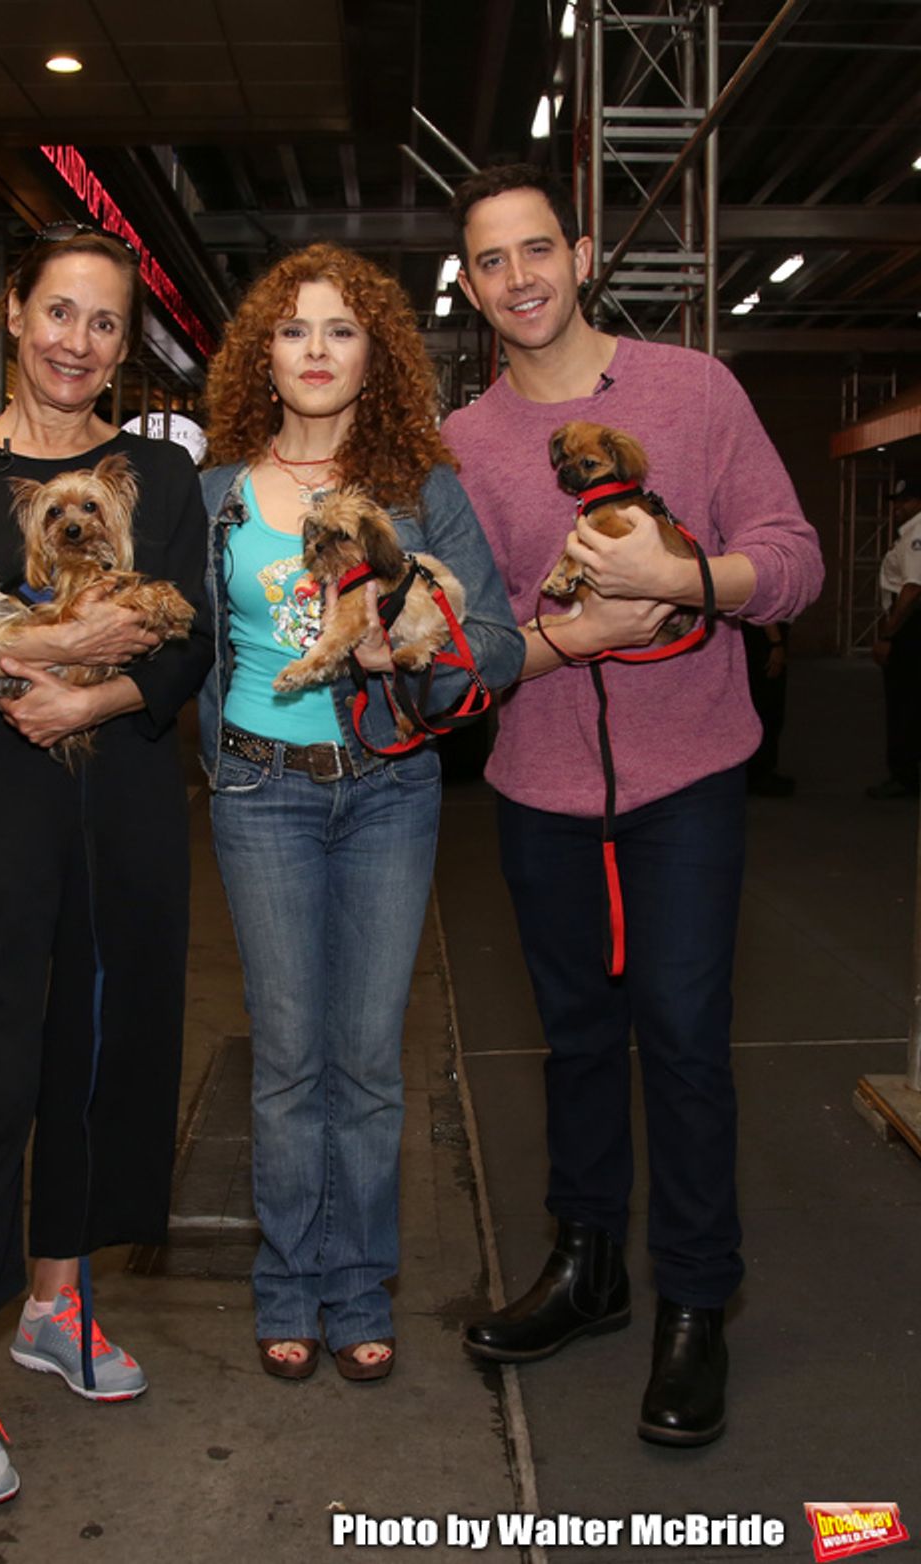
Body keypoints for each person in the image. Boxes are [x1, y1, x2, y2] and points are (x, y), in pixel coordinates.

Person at [444, 164, 823, 1445]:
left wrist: (689, 574)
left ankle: (694, 1304)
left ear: (585, 251)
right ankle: (587, 1266)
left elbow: (794, 561)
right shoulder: (467, 443)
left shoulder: (696, 392)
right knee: (572, 1040)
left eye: (537, 248)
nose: (520, 278)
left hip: (689, 779)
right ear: (471, 284)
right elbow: (473, 647)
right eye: (491, 261)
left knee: (682, 1037)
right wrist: (583, 628)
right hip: (539, 786)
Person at [0, 224, 212, 1505]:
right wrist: (10, 661)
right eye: (59, 312)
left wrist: (99, 694)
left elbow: (191, 648)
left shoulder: (158, 482)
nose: (79, 342)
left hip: (121, 809)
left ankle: (58, 1306)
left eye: (105, 324)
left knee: (96, 1063)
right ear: (14, 313)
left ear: (127, 345)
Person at [198, 243, 524, 1383]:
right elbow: (195, 637)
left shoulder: (420, 483)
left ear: (373, 353)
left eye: (341, 330)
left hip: (389, 792)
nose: (318, 350)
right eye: (295, 330)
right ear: (263, 356)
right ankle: (288, 1283)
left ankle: (358, 1283)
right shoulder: (220, 488)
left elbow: (502, 641)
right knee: (289, 1063)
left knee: (369, 1062)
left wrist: (416, 651)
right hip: (258, 791)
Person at [867, 484, 921, 800]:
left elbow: (912, 588)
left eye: (905, 500)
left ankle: (904, 776)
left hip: (911, 628)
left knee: (904, 702)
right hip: (911, 625)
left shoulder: (916, 534)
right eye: (895, 501)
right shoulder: (910, 531)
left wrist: (889, 635)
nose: (897, 506)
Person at [741, 620, 794, 796]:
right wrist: (776, 643)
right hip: (763, 636)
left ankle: (760, 770)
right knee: (767, 706)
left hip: (763, 634)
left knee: (767, 705)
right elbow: (764, 609)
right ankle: (759, 773)